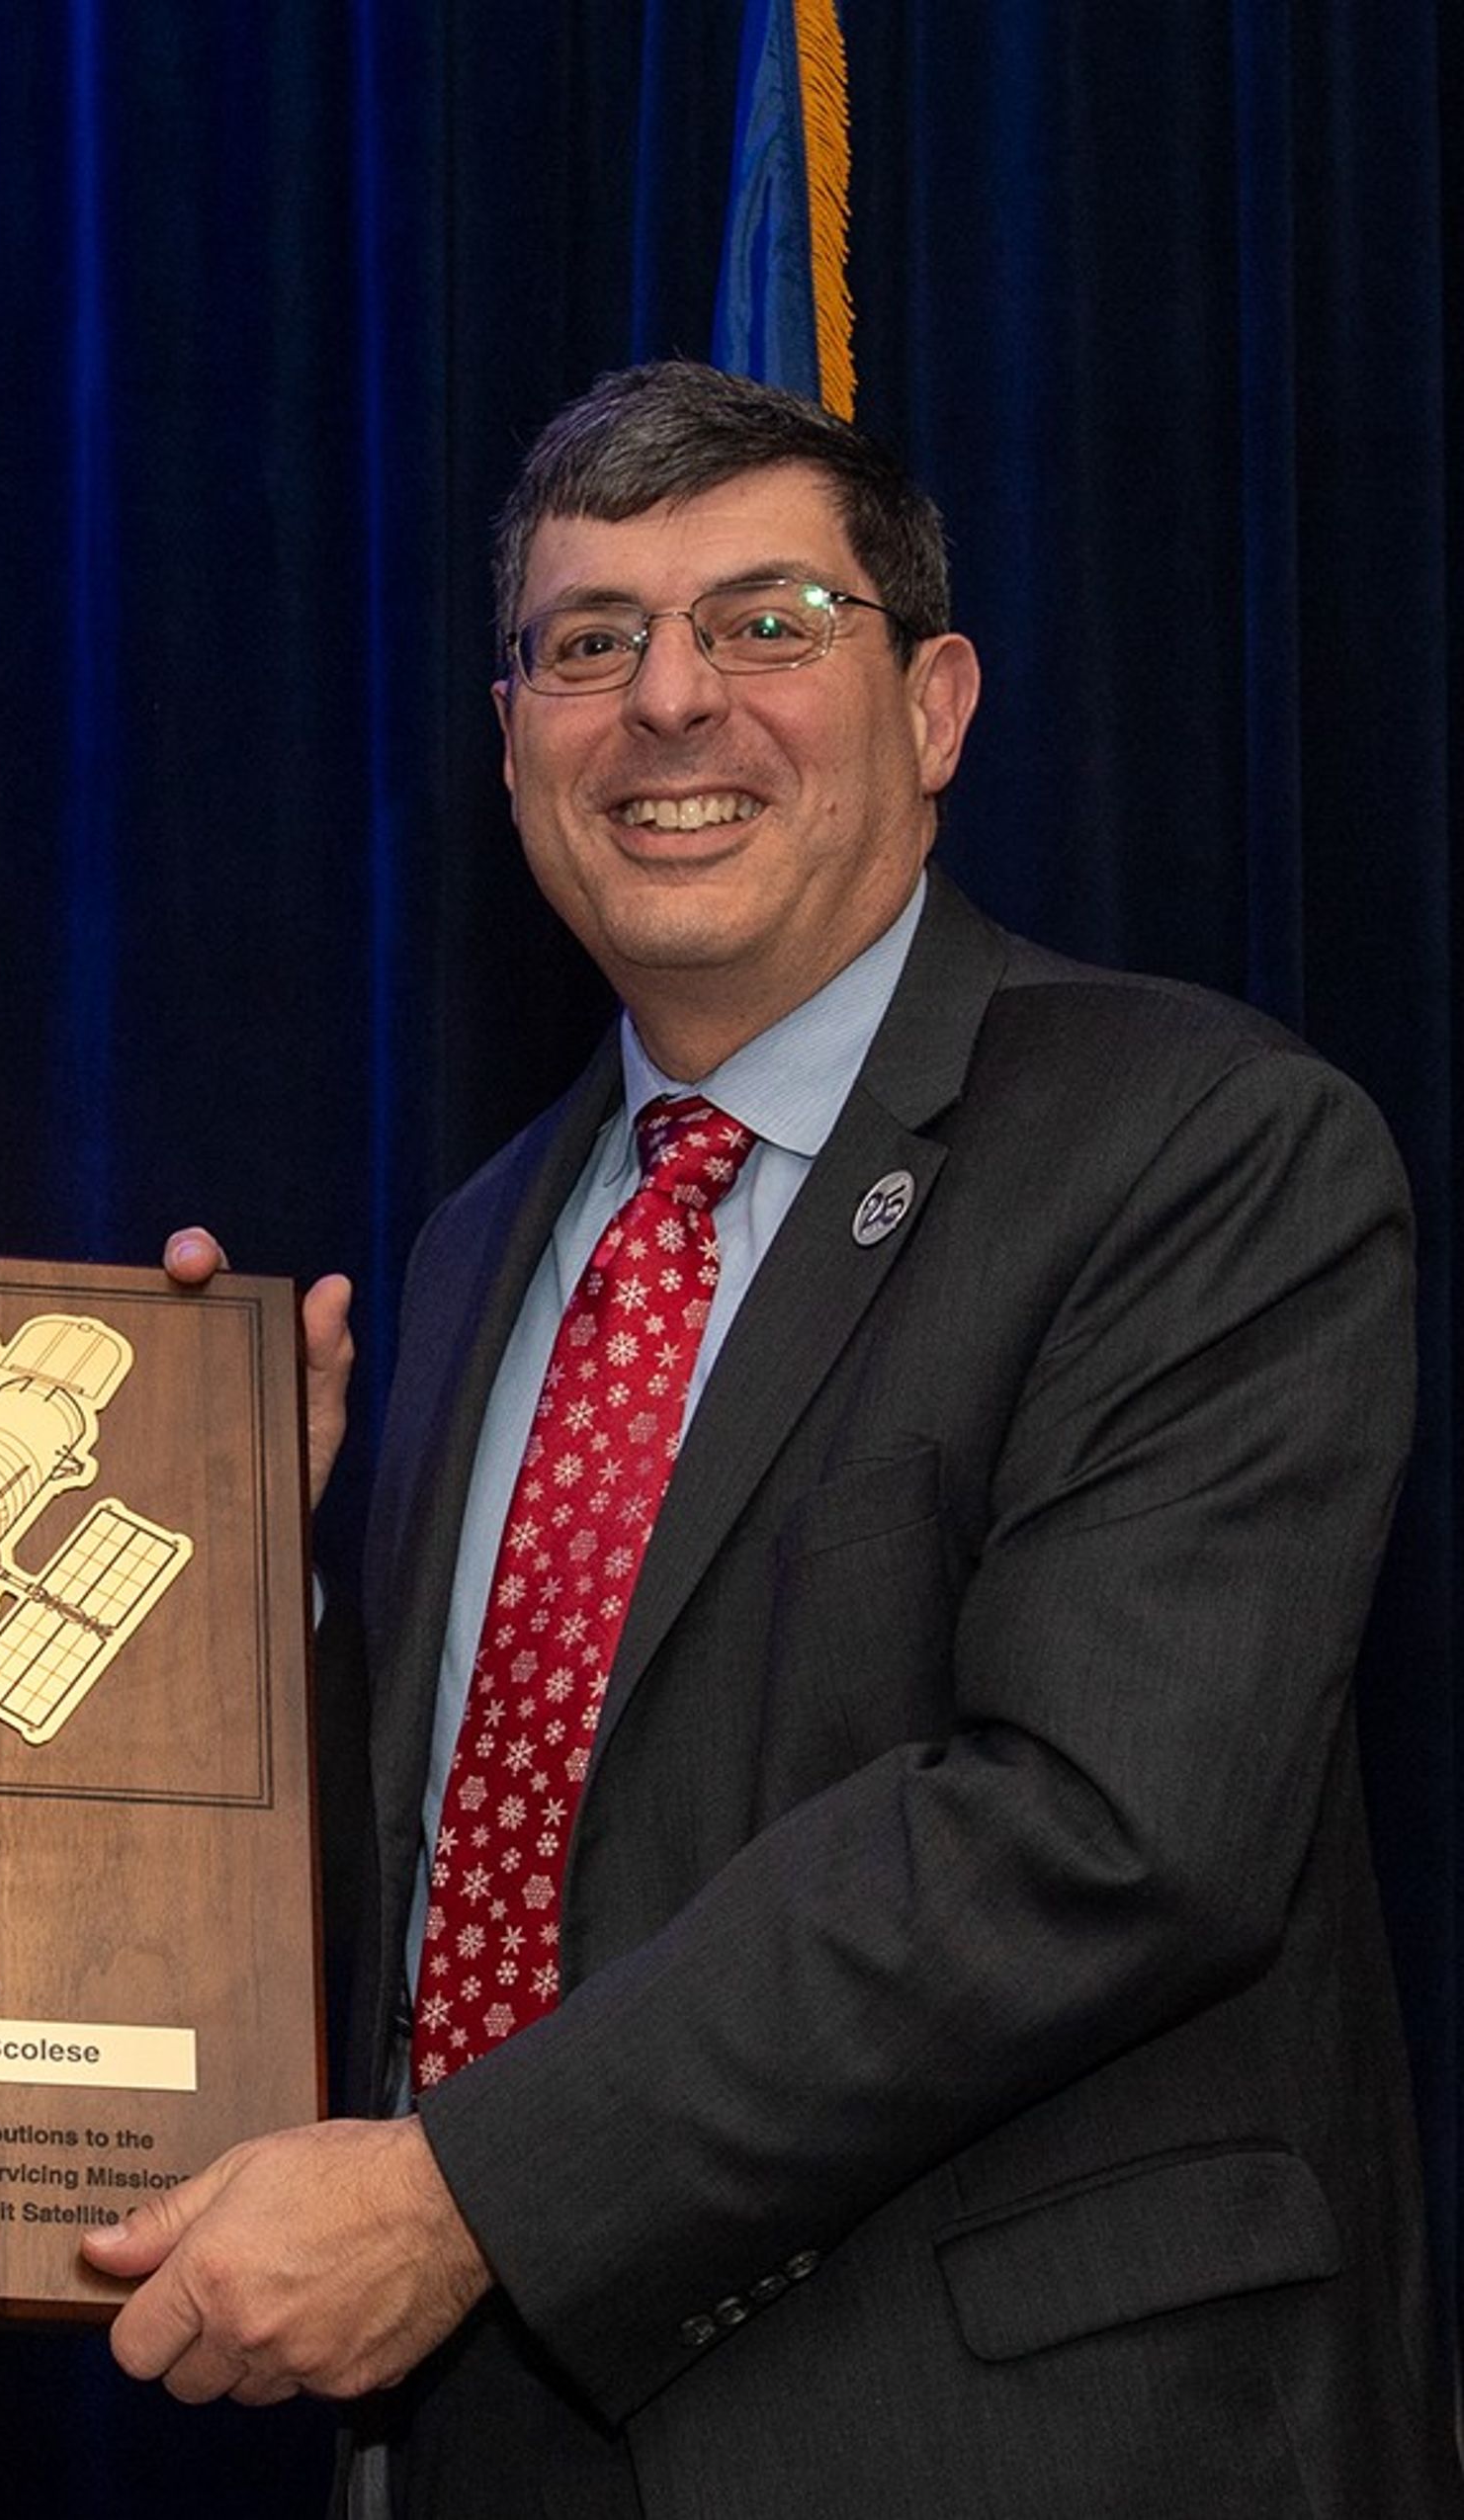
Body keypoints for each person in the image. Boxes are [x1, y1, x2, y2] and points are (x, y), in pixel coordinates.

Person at [89, 362, 1460, 2515]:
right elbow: (499, 1850)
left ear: (933, 708)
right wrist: (255, 1589)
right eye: (587, 643)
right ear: (513, 736)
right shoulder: (470, 1253)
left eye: (765, 625)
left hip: (1022, 2449)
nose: (668, 703)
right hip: (497, 2445)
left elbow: (1106, 1824)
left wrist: (458, 2201)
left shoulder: (1199, 1146)